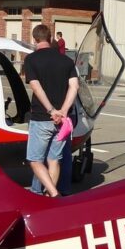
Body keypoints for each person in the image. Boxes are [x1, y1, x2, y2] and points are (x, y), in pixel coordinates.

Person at [23, 24, 79, 197]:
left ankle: (53, 194)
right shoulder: (66, 61)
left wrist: (51, 110)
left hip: (41, 118)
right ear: (50, 39)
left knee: (35, 160)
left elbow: (36, 87)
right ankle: (49, 198)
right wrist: (63, 111)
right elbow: (74, 86)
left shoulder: (31, 60)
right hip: (62, 121)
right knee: (54, 160)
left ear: (34, 39)